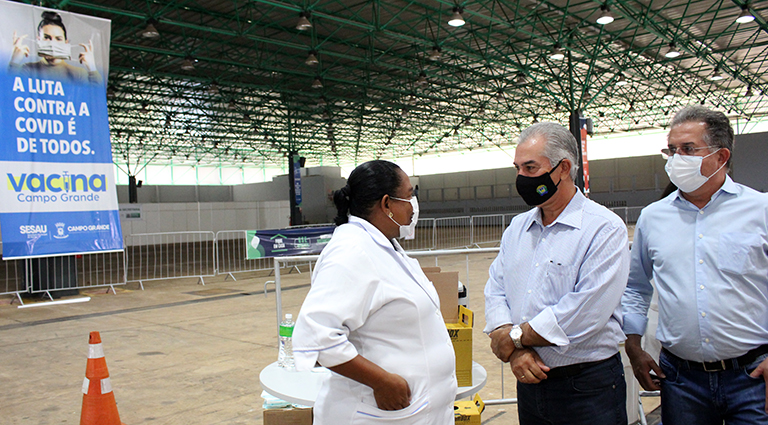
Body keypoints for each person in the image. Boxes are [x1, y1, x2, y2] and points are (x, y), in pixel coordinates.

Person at [622, 105, 768, 424]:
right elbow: (636, 287)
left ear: (721, 157)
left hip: (753, 377)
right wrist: (633, 346)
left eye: (688, 149)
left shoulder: (761, 210)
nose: (676, 159)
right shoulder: (653, 217)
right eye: (671, 150)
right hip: (680, 380)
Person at [484, 122, 630, 425]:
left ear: (563, 168)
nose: (521, 178)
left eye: (530, 167)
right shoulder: (517, 229)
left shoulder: (603, 228)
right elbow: (496, 287)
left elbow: (585, 312)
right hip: (529, 381)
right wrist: (513, 348)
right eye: (518, 168)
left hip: (587, 388)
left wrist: (513, 338)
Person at [292, 160, 457, 424]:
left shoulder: (384, 245)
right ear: (387, 204)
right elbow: (316, 337)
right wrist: (381, 382)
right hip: (376, 413)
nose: (414, 204)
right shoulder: (352, 252)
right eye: (409, 195)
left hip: (415, 411)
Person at [9, 11, 101, 84]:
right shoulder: (28, 69)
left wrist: (92, 69)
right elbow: (10, 92)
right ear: (38, 40)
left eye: (58, 39)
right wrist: (14, 63)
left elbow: (93, 99)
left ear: (66, 42)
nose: (52, 43)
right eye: (47, 38)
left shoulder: (78, 73)